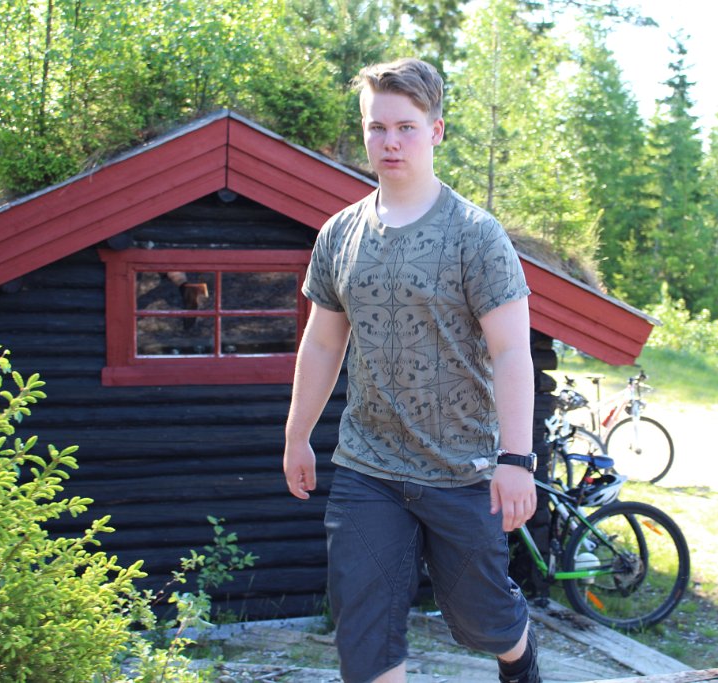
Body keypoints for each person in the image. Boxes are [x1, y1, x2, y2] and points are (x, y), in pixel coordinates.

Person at [282, 57, 542, 683]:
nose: (390, 142)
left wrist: (516, 459)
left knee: (480, 621)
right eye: (377, 127)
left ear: (436, 131)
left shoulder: (476, 235)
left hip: (462, 468)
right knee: (363, 630)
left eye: (405, 127)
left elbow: (512, 351)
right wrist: (296, 435)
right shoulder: (339, 234)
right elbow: (322, 344)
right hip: (367, 465)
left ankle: (519, 656)